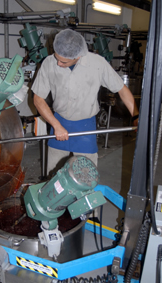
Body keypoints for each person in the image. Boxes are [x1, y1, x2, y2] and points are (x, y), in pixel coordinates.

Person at [31, 29, 139, 176]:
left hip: (85, 127)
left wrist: (135, 116)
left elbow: (122, 89)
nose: (59, 63)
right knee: (54, 176)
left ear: (78, 56)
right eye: (57, 58)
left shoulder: (97, 64)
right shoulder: (49, 63)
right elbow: (38, 99)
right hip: (59, 122)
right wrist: (56, 126)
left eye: (64, 61)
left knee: (86, 176)